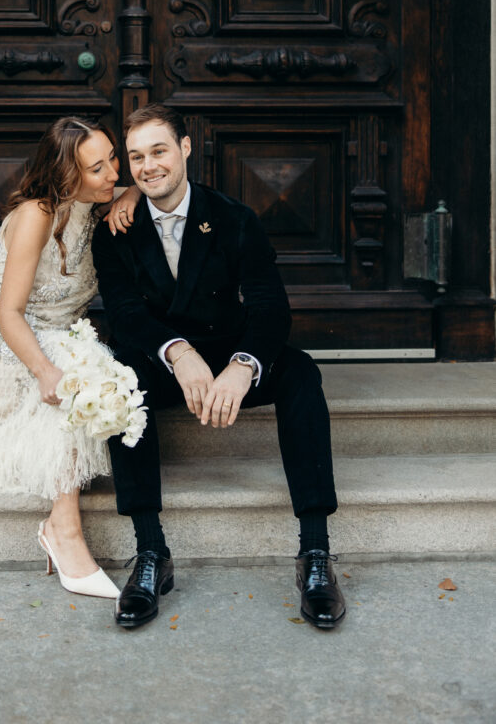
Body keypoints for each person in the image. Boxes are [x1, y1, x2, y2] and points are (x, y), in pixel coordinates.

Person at [91, 104, 346, 629]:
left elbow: (271, 306)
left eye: (159, 151)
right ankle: (151, 553)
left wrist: (244, 365)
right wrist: (177, 352)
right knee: (118, 379)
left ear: (185, 149)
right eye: (136, 157)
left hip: (230, 356)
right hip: (163, 363)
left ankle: (315, 553)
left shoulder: (233, 217)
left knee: (300, 372)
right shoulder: (114, 229)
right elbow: (124, 313)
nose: (148, 165)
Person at [0, 117, 138, 599]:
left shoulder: (99, 198)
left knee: (86, 384)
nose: (112, 172)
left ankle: (48, 513)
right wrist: (46, 371)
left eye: (113, 157)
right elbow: (9, 314)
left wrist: (130, 194)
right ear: (68, 176)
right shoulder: (37, 214)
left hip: (59, 336)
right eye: (98, 167)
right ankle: (63, 532)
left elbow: (131, 185)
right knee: (65, 396)